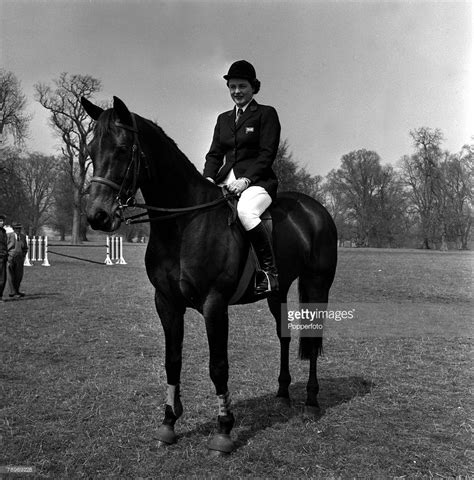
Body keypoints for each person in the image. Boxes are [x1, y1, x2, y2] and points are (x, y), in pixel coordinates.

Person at [203, 60, 281, 294]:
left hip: (258, 183)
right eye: (232, 87)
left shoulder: (266, 114)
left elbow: (267, 154)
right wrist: (207, 179)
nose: (236, 91)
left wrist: (246, 180)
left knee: (246, 212)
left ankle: (269, 273)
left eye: (242, 86)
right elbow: (215, 153)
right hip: (225, 180)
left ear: (253, 87)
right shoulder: (223, 119)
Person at [7, 223, 28, 298]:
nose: (18, 230)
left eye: (19, 228)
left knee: (19, 275)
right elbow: (5, 246)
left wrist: (23, 256)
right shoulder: (9, 236)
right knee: (11, 275)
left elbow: (25, 248)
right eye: (16, 228)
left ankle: (17, 290)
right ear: (13, 229)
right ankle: (12, 291)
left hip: (20, 258)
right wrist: (8, 256)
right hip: (10, 257)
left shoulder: (23, 236)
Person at [0, 214, 8, 302]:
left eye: (2, 221)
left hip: (3, 257)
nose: (2, 223)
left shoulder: (4, 231)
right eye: (0, 221)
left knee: (3, 278)